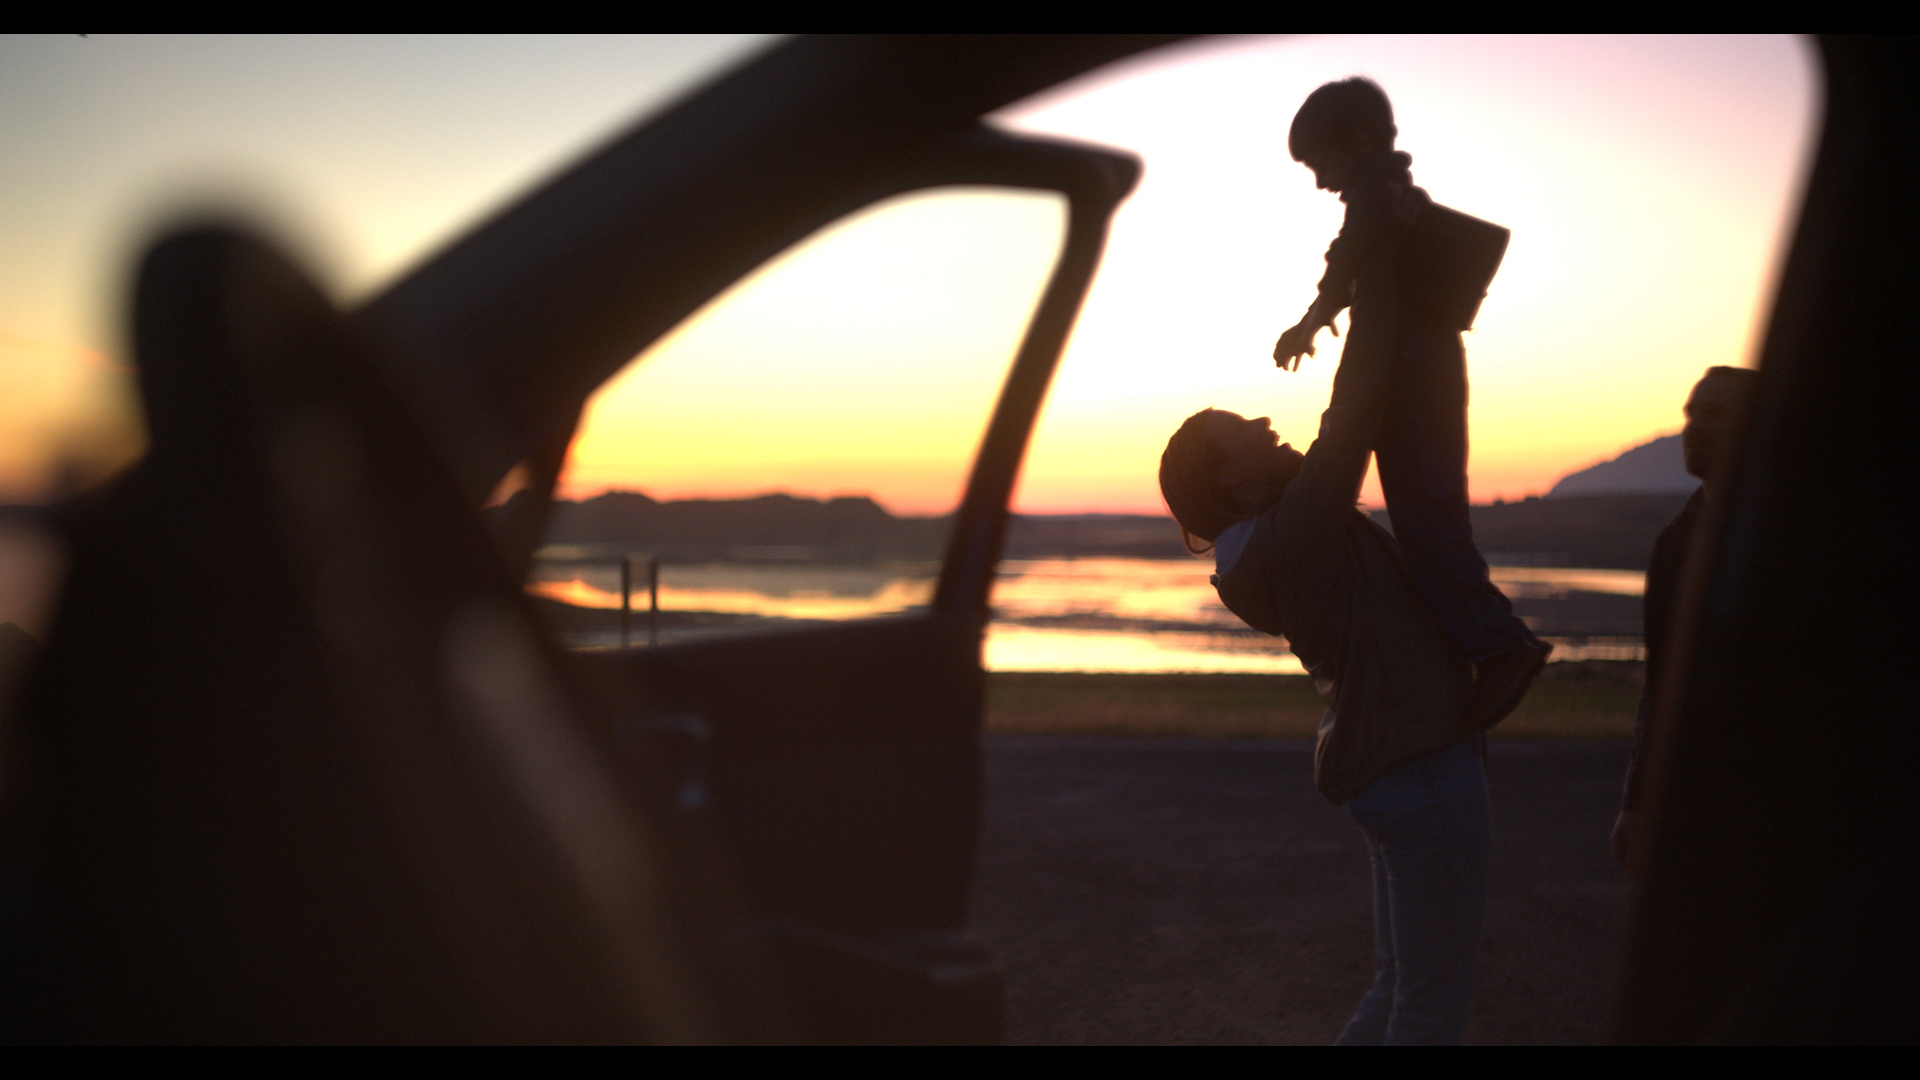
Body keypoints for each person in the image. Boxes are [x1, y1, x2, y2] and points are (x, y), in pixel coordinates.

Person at [1158, 296, 1487, 1044]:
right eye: (1248, 433)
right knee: (1429, 1006)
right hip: (1422, 765)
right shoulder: (1293, 533)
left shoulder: (1266, 548)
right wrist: (1375, 295)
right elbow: (1353, 416)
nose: (1270, 429)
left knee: (1396, 988)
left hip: (1391, 767)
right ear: (1234, 484)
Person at [1272, 77, 1548, 725]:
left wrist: (1310, 320)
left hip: (1409, 376)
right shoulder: (1395, 198)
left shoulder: (1377, 195)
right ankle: (1473, 646)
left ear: (1359, 145)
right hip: (1417, 371)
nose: (1319, 183)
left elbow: (1350, 250)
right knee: (1428, 522)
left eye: (1320, 165)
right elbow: (1359, 253)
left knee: (1428, 524)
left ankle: (1502, 647)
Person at [1611, 365, 1759, 869]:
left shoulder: (1801, 536)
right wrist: (1636, 801)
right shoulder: (1676, 543)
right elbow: (1661, 682)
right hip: (1694, 792)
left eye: (1715, 415)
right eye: (1691, 413)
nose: (1694, 428)